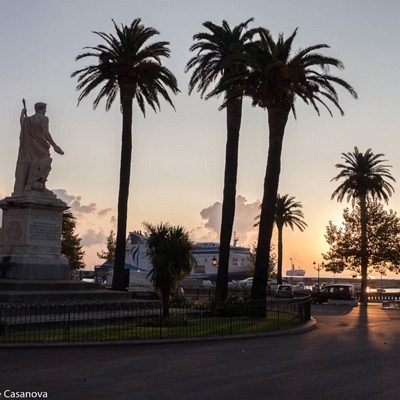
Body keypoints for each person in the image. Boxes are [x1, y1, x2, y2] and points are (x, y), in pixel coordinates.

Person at [13, 102, 64, 194]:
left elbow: (22, 122)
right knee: (45, 164)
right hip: (41, 145)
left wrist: (22, 112)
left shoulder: (28, 120)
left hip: (30, 146)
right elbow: (46, 133)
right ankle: (39, 185)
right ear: (40, 108)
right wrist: (55, 146)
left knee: (35, 164)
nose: (46, 110)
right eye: (45, 108)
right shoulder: (44, 118)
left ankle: (35, 184)